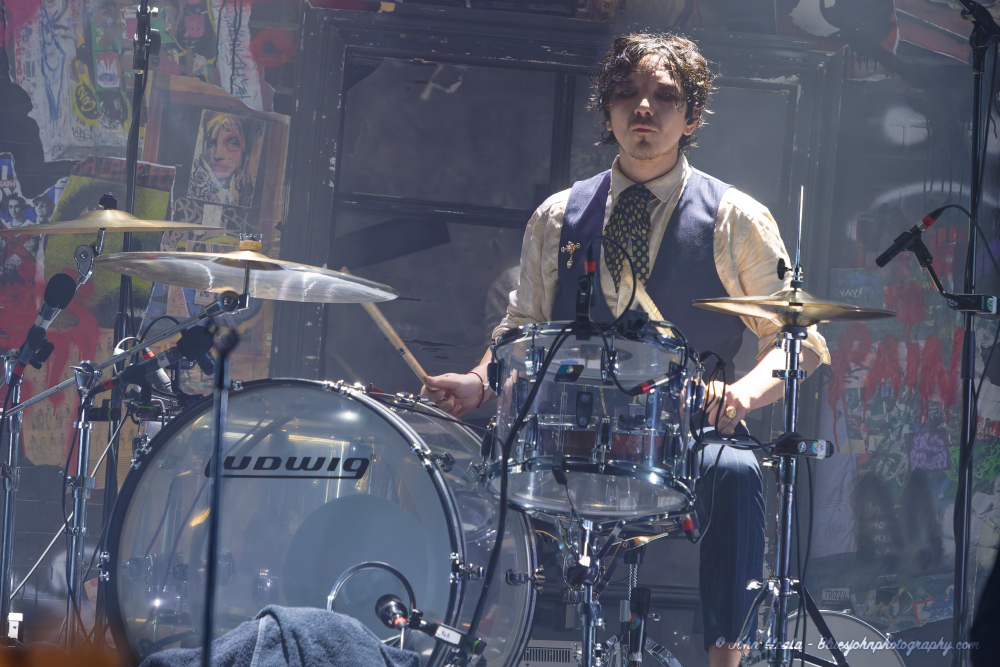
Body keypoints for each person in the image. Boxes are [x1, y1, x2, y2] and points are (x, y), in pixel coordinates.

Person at [422, 33, 829, 667]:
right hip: (571, 432)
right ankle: (474, 647)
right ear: (607, 111)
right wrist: (479, 383)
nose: (643, 106)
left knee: (736, 472)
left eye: (664, 96)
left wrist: (742, 396)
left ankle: (727, 659)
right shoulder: (558, 215)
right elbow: (521, 328)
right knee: (482, 473)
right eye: (627, 93)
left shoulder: (735, 218)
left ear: (691, 117)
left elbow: (801, 342)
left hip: (687, 432)